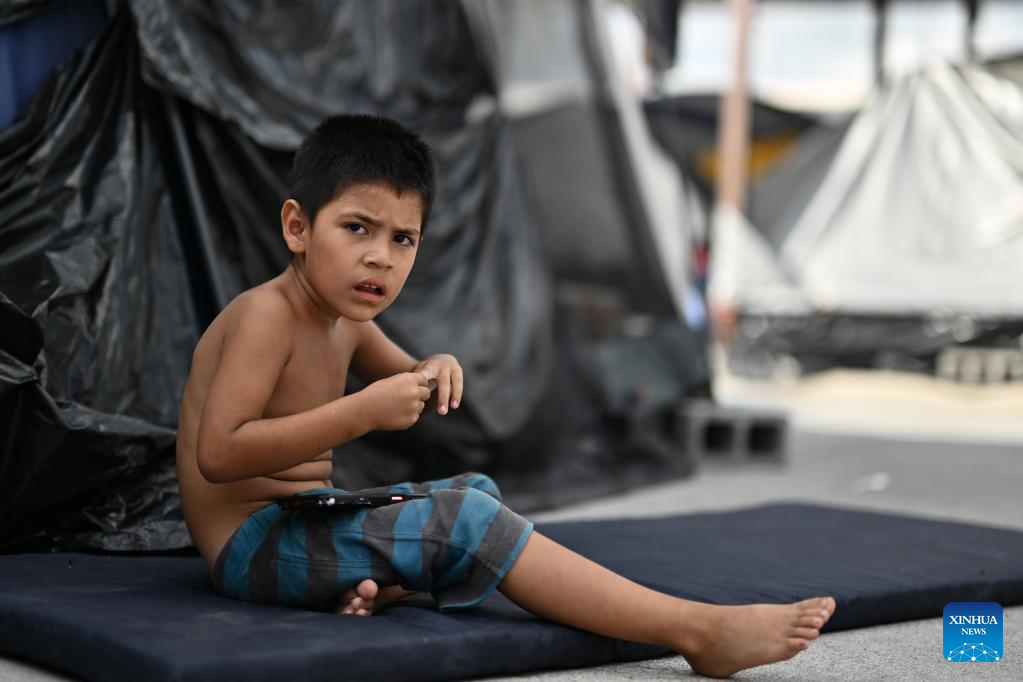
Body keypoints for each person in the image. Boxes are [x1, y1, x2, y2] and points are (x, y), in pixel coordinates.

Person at [175, 113, 835, 678]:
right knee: (465, 523)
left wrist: (435, 365)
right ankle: (695, 630)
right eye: (357, 228)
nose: (380, 257)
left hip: (306, 522)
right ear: (297, 227)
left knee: (476, 493)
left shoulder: (345, 319)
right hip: (253, 549)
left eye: (402, 239)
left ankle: (367, 585)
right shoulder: (266, 316)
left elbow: (410, 373)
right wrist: (360, 413)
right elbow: (220, 453)